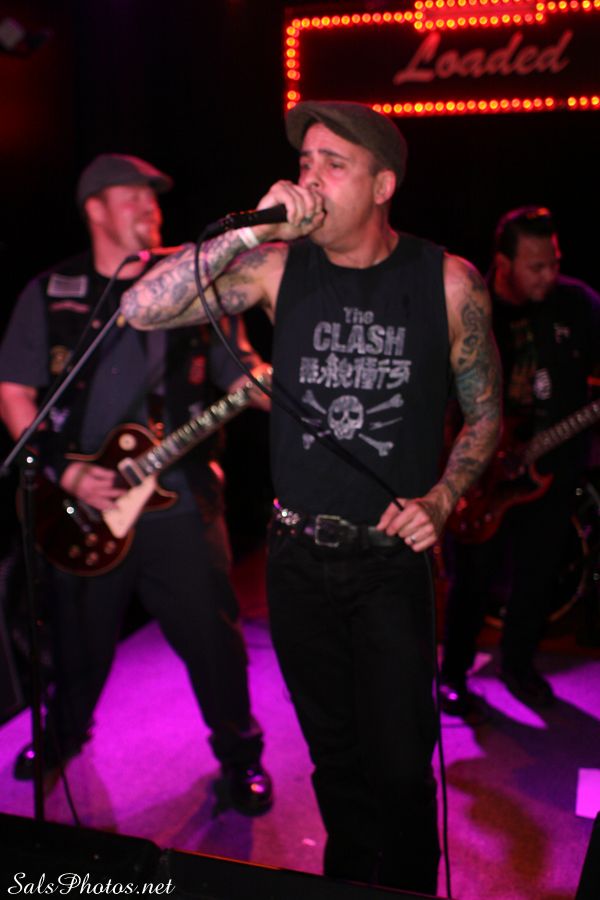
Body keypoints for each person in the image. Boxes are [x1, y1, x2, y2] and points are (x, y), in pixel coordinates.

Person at [120, 102, 502, 894]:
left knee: (401, 767)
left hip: (391, 564)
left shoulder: (447, 281)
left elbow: (487, 413)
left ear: (383, 185)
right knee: (335, 761)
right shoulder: (275, 267)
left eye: (334, 163)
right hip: (297, 560)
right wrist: (247, 232)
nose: (311, 178)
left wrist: (442, 498)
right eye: (305, 162)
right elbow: (139, 308)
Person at [0, 153, 273, 815]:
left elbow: (238, 372)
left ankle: (241, 756)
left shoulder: (195, 286)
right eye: (132, 195)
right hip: (82, 503)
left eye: (154, 196)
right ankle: (64, 735)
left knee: (213, 639)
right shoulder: (50, 292)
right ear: (94, 208)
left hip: (181, 499)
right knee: (77, 640)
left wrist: (270, 382)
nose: (150, 206)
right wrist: (66, 471)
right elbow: (14, 393)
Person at [440, 206, 600, 718]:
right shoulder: (472, 307)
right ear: (503, 263)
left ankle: (518, 666)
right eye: (536, 266)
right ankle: (453, 673)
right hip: (482, 473)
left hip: (551, 469)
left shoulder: (578, 304)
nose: (549, 275)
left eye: (554, 262)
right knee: (472, 580)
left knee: (538, 574)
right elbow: (441, 399)